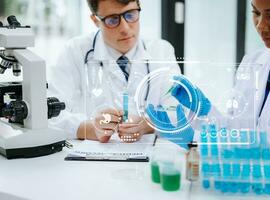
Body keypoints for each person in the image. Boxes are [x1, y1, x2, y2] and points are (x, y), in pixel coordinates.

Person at [147, 0, 270, 157]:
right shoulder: (254, 61)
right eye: (256, 13)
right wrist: (205, 110)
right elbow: (236, 128)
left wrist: (197, 139)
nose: (261, 25)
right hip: (242, 172)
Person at [47, 0, 180, 143]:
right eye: (112, 19)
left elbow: (180, 111)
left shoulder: (161, 51)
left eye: (130, 15)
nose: (125, 28)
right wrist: (90, 129)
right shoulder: (74, 51)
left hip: (148, 156)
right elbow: (49, 115)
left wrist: (147, 124)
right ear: (95, 20)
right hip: (89, 160)